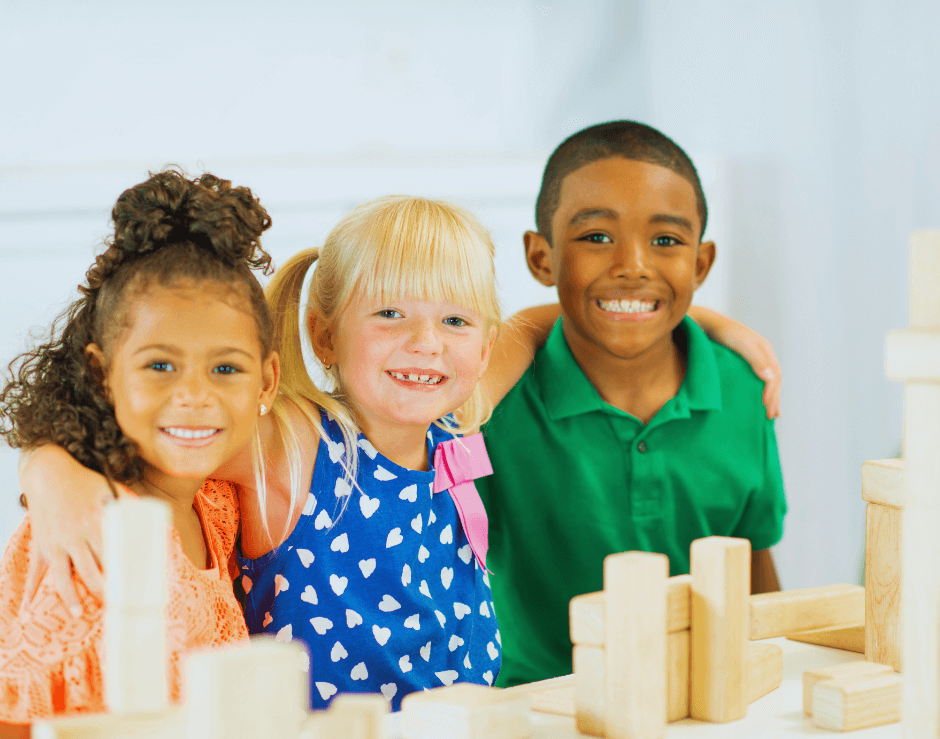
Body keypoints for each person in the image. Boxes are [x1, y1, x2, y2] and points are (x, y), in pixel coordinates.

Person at [16, 194, 780, 708]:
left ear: (483, 346)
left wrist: (699, 321)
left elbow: (548, 321)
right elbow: (159, 428)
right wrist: (48, 471)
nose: (426, 344)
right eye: (389, 314)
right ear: (324, 337)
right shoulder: (295, 443)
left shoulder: (462, 419)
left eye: (455, 321)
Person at [476, 120, 788, 688]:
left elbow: (754, 566)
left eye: (666, 241)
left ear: (701, 263)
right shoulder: (495, 400)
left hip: (702, 704)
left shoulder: (745, 388)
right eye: (597, 237)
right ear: (541, 258)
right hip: (534, 713)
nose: (634, 264)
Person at [0, 170, 279, 739]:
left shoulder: (219, 506)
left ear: (267, 381)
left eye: (225, 368)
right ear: (102, 375)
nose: (194, 395)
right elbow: (22, 735)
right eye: (160, 366)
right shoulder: (88, 533)